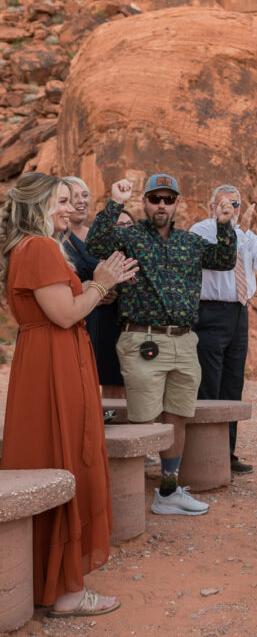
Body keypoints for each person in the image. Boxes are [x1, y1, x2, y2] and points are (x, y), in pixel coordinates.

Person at [0, 172, 136, 617]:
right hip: (54, 364)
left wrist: (97, 283)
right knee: (64, 455)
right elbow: (64, 315)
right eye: (59, 200)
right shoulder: (38, 248)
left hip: (45, 361)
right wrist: (101, 281)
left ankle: (47, 577)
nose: (67, 208)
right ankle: (64, 591)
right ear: (38, 205)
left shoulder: (27, 248)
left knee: (50, 454)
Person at [86, 173, 237, 516]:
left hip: (184, 341)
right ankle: (126, 501)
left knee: (178, 417)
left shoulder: (190, 242)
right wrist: (114, 203)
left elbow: (224, 261)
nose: (162, 205)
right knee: (143, 420)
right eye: (156, 199)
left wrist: (225, 226)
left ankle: (168, 492)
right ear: (146, 202)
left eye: (169, 199)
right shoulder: (130, 238)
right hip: (142, 338)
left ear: (177, 204)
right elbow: (95, 245)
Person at [191, 184, 257, 475]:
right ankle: (203, 455)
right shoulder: (200, 231)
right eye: (223, 203)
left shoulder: (246, 236)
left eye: (235, 204)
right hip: (210, 312)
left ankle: (227, 454)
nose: (230, 208)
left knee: (232, 385)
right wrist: (223, 227)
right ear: (211, 207)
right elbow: (217, 261)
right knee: (209, 384)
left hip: (239, 313)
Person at [61, 176, 132, 399]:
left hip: (108, 317)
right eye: (74, 197)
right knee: (79, 381)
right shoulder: (54, 240)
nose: (81, 201)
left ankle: (112, 429)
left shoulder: (100, 235)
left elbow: (125, 269)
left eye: (85, 195)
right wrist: (83, 288)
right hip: (76, 316)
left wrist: (115, 291)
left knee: (113, 380)